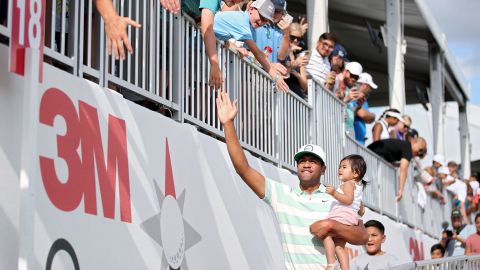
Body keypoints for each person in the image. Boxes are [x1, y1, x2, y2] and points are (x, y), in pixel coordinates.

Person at [216, 90, 368, 269]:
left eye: (313, 161)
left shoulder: (337, 197)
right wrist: (228, 125)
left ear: (323, 169)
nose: (306, 165)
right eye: (302, 161)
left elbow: (363, 236)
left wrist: (331, 225)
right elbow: (243, 169)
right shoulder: (282, 194)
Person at [213, 0, 289, 92]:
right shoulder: (243, 21)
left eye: (266, 20)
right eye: (261, 16)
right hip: (201, 46)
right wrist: (275, 76)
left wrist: (229, 43)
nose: (262, 21)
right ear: (251, 9)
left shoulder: (247, 23)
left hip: (208, 48)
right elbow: (258, 53)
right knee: (206, 90)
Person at [323, 155, 367, 270]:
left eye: (344, 167)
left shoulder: (348, 184)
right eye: (339, 167)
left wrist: (334, 193)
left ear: (355, 173)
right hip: (350, 218)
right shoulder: (358, 187)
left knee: (325, 234)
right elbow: (362, 210)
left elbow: (348, 200)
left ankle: (331, 263)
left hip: (342, 215)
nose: (339, 169)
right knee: (339, 247)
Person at [352, 72, 377, 145]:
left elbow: (368, 119)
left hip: (359, 141)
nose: (370, 90)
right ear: (365, 85)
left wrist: (371, 116)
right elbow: (362, 114)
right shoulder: (353, 94)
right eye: (370, 87)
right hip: (353, 140)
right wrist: (373, 115)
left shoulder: (364, 101)